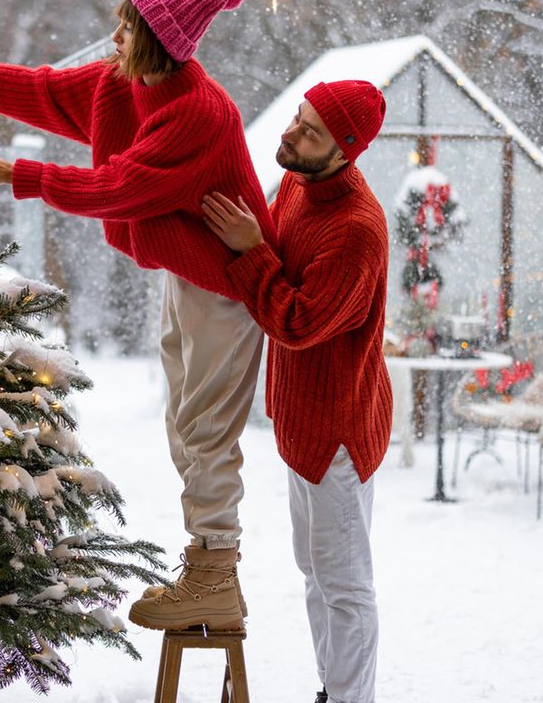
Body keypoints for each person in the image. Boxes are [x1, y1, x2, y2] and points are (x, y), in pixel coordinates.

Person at [0, 0, 271, 631]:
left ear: (159, 42)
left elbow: (115, 186)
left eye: (128, 27)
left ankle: (214, 576)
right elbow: (38, 89)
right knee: (186, 423)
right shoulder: (126, 84)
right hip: (188, 271)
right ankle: (205, 562)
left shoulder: (198, 113)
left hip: (225, 288)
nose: (113, 35)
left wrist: (19, 175)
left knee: (205, 429)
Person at [200, 80, 392, 703]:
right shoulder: (298, 185)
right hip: (302, 425)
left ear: (346, 150)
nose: (290, 134)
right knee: (315, 572)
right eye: (297, 119)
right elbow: (280, 260)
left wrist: (250, 251)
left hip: (337, 429)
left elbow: (299, 323)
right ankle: (331, 690)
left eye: (310, 132)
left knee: (345, 584)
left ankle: (349, 699)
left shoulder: (356, 231)